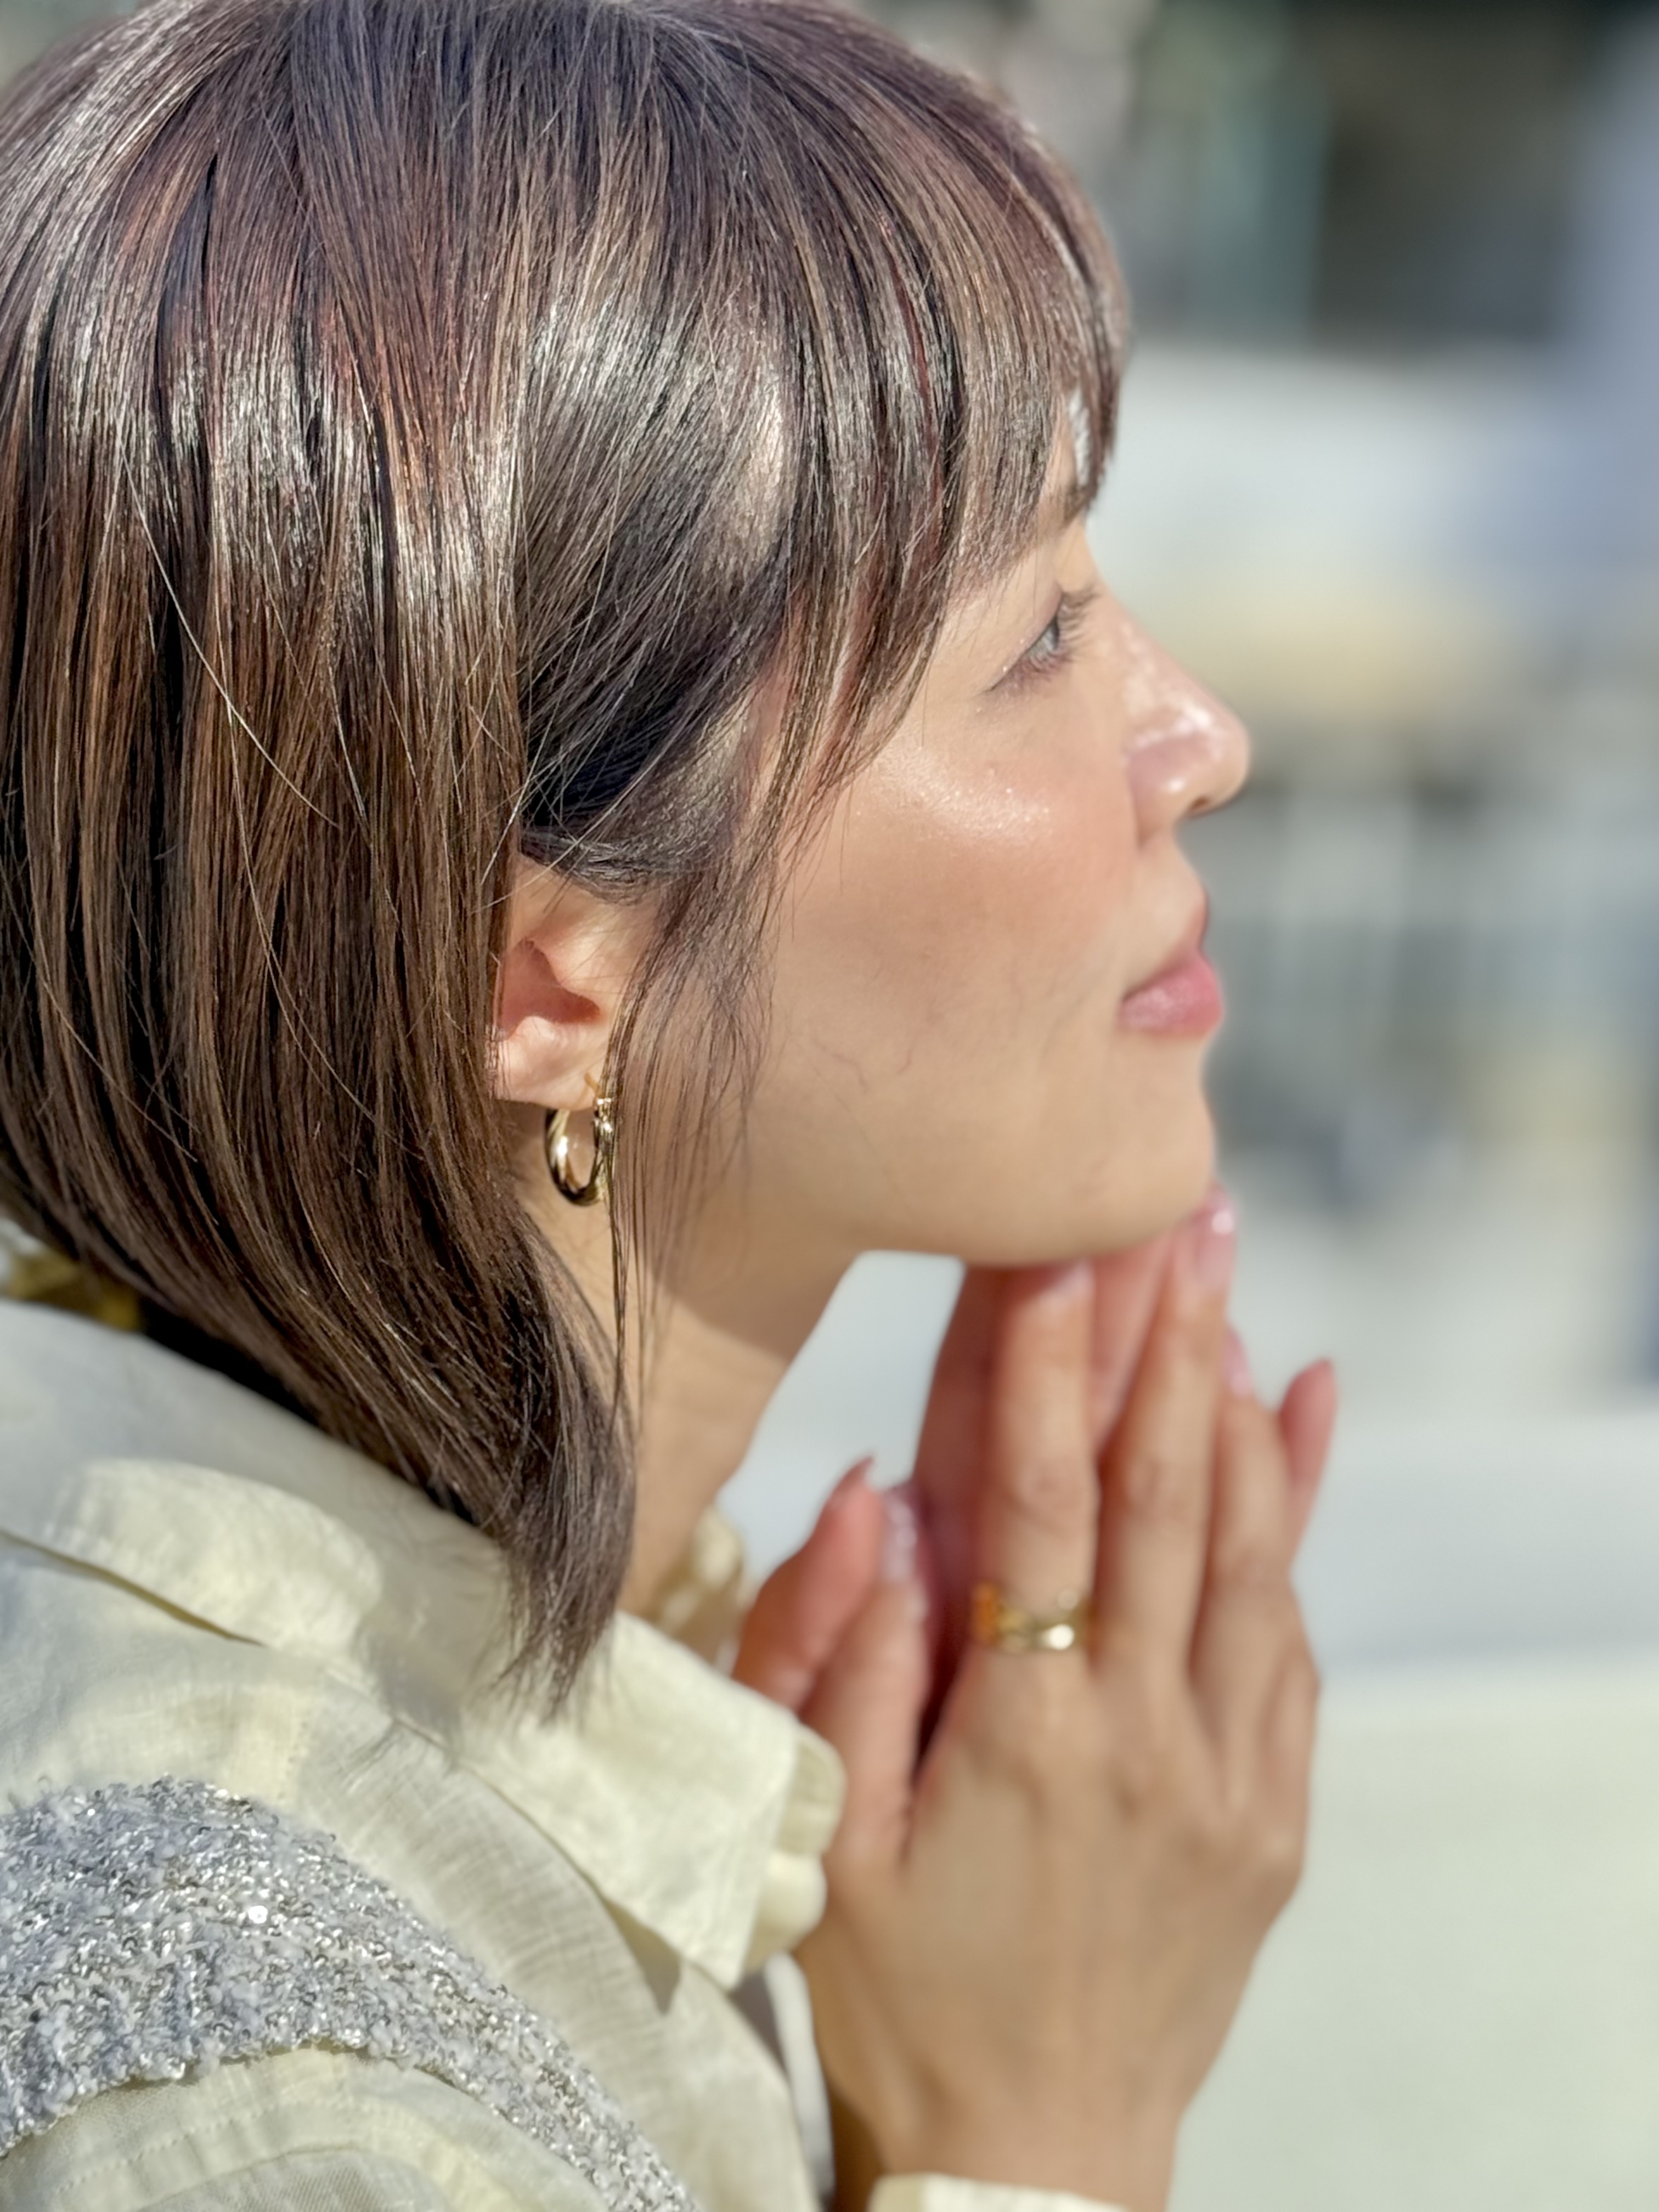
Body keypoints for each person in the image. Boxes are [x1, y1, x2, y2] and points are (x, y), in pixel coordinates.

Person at [0, 3, 1338, 2209]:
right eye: (1036, 640)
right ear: (544, 970)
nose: (1197, 734)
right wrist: (1041, 2134)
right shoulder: (279, 2105)